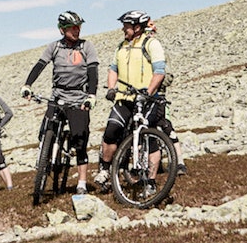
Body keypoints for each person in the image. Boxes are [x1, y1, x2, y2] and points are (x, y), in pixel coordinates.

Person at [99, 10, 185, 187]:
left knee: (149, 137)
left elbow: (159, 72)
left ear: (137, 27)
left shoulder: (152, 44)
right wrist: (111, 88)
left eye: (126, 26)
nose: (123, 28)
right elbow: (113, 69)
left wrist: (149, 92)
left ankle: (151, 181)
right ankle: (105, 169)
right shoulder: (121, 46)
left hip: (147, 99)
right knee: (111, 132)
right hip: (124, 97)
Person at [20, 10, 99, 194]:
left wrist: (91, 95)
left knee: (80, 139)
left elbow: (93, 73)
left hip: (78, 98)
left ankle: (81, 182)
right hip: (57, 96)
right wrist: (27, 85)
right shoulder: (54, 47)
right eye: (72, 27)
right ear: (62, 30)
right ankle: (44, 159)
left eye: (78, 27)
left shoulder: (87, 47)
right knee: (45, 130)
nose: (77, 30)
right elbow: (40, 66)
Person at [146, 19, 186, 175]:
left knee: (166, 127)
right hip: (142, 97)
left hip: (158, 97)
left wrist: (157, 82)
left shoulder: (160, 52)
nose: (149, 36)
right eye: (147, 33)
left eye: (152, 33)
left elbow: (169, 76)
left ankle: (179, 162)